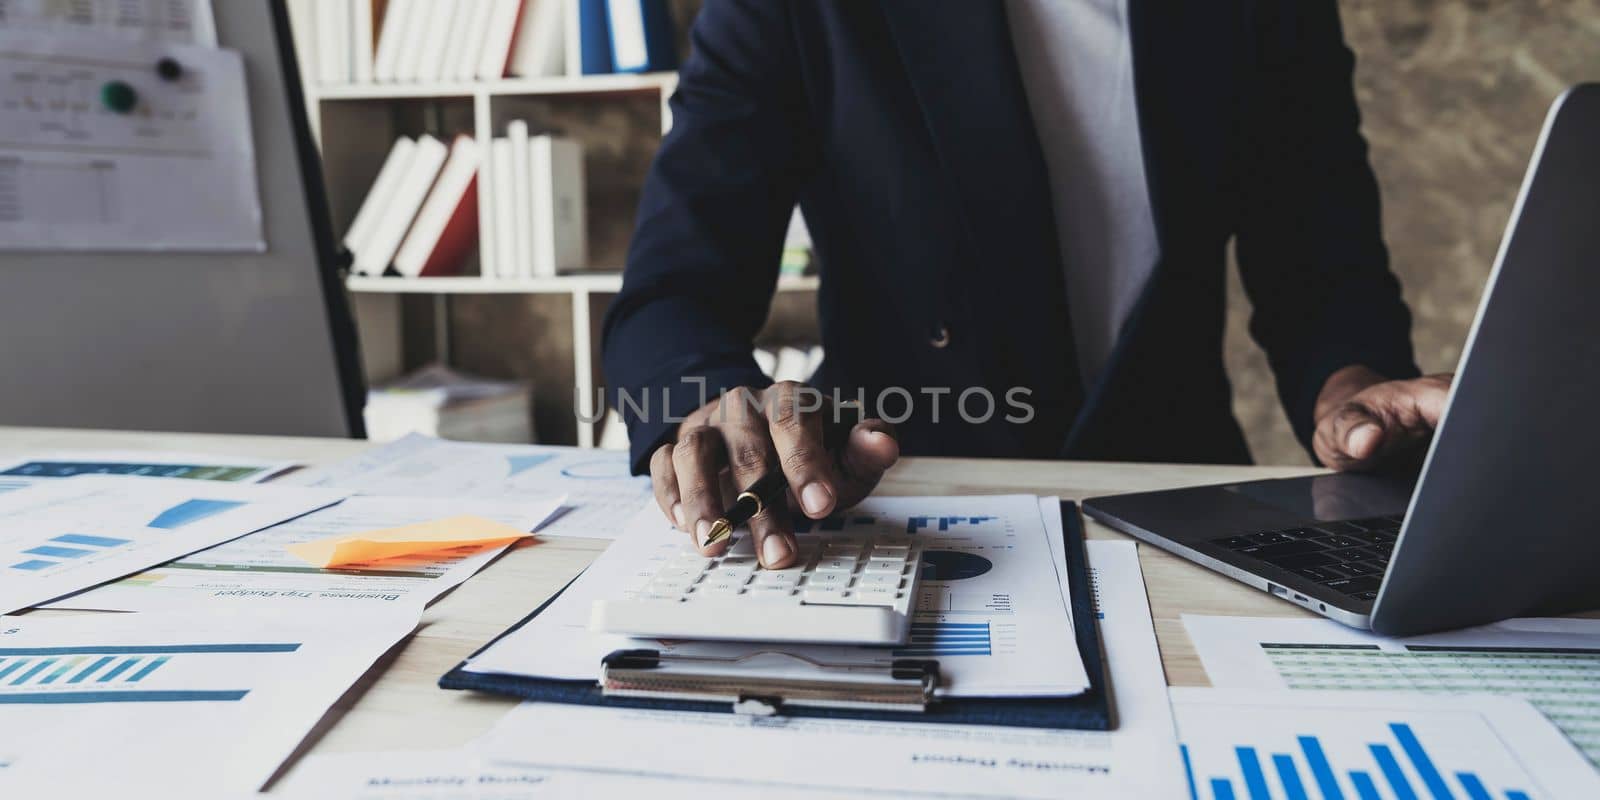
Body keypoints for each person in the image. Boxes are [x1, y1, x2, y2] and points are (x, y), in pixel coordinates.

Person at [601, 0, 1453, 569]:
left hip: (1178, 512)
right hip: (886, 510)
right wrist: (718, 415)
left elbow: (1322, 263)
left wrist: (1354, 392)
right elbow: (673, 291)